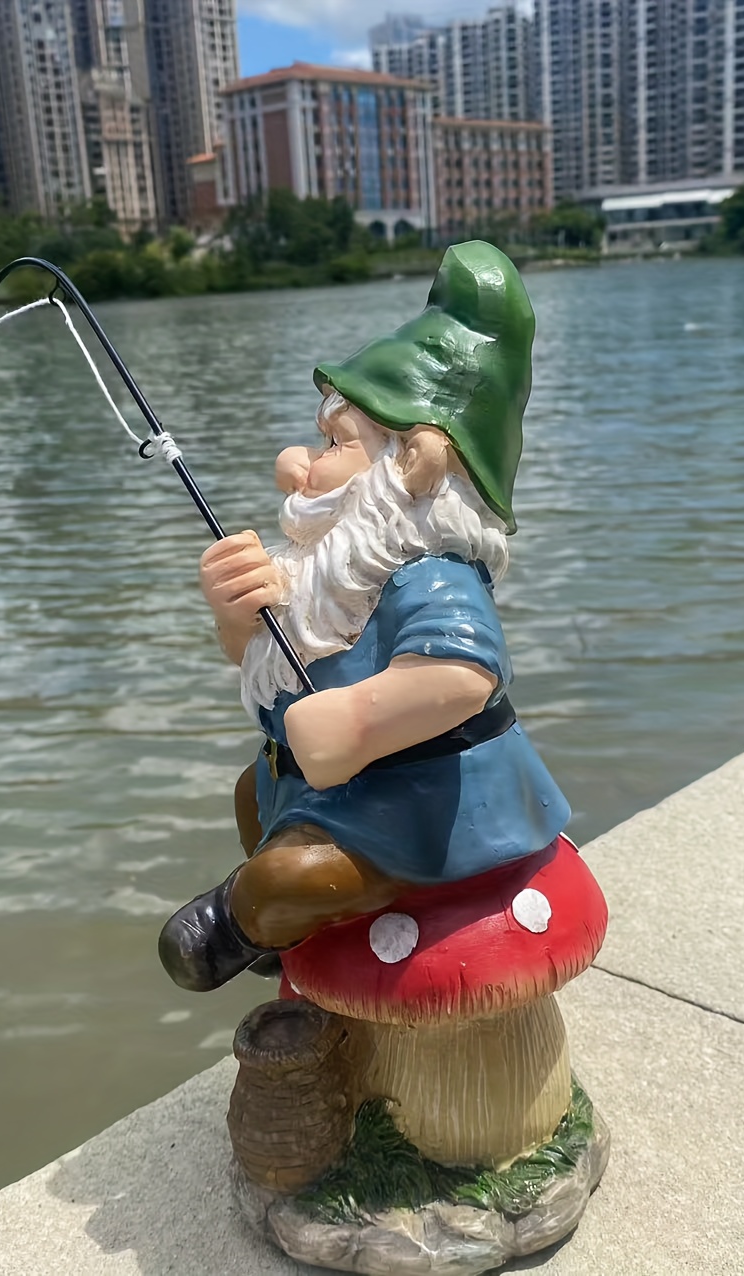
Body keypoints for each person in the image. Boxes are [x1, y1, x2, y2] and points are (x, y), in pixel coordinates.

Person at [159, 241, 572, 992]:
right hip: (332, 789)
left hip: (416, 801)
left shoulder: (430, 576)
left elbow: (462, 676)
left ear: (408, 464)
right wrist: (237, 614)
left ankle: (243, 923)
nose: (295, 464)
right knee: (252, 793)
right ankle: (295, 946)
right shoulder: (333, 567)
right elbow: (262, 654)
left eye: (332, 444)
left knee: (282, 879)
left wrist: (351, 721)